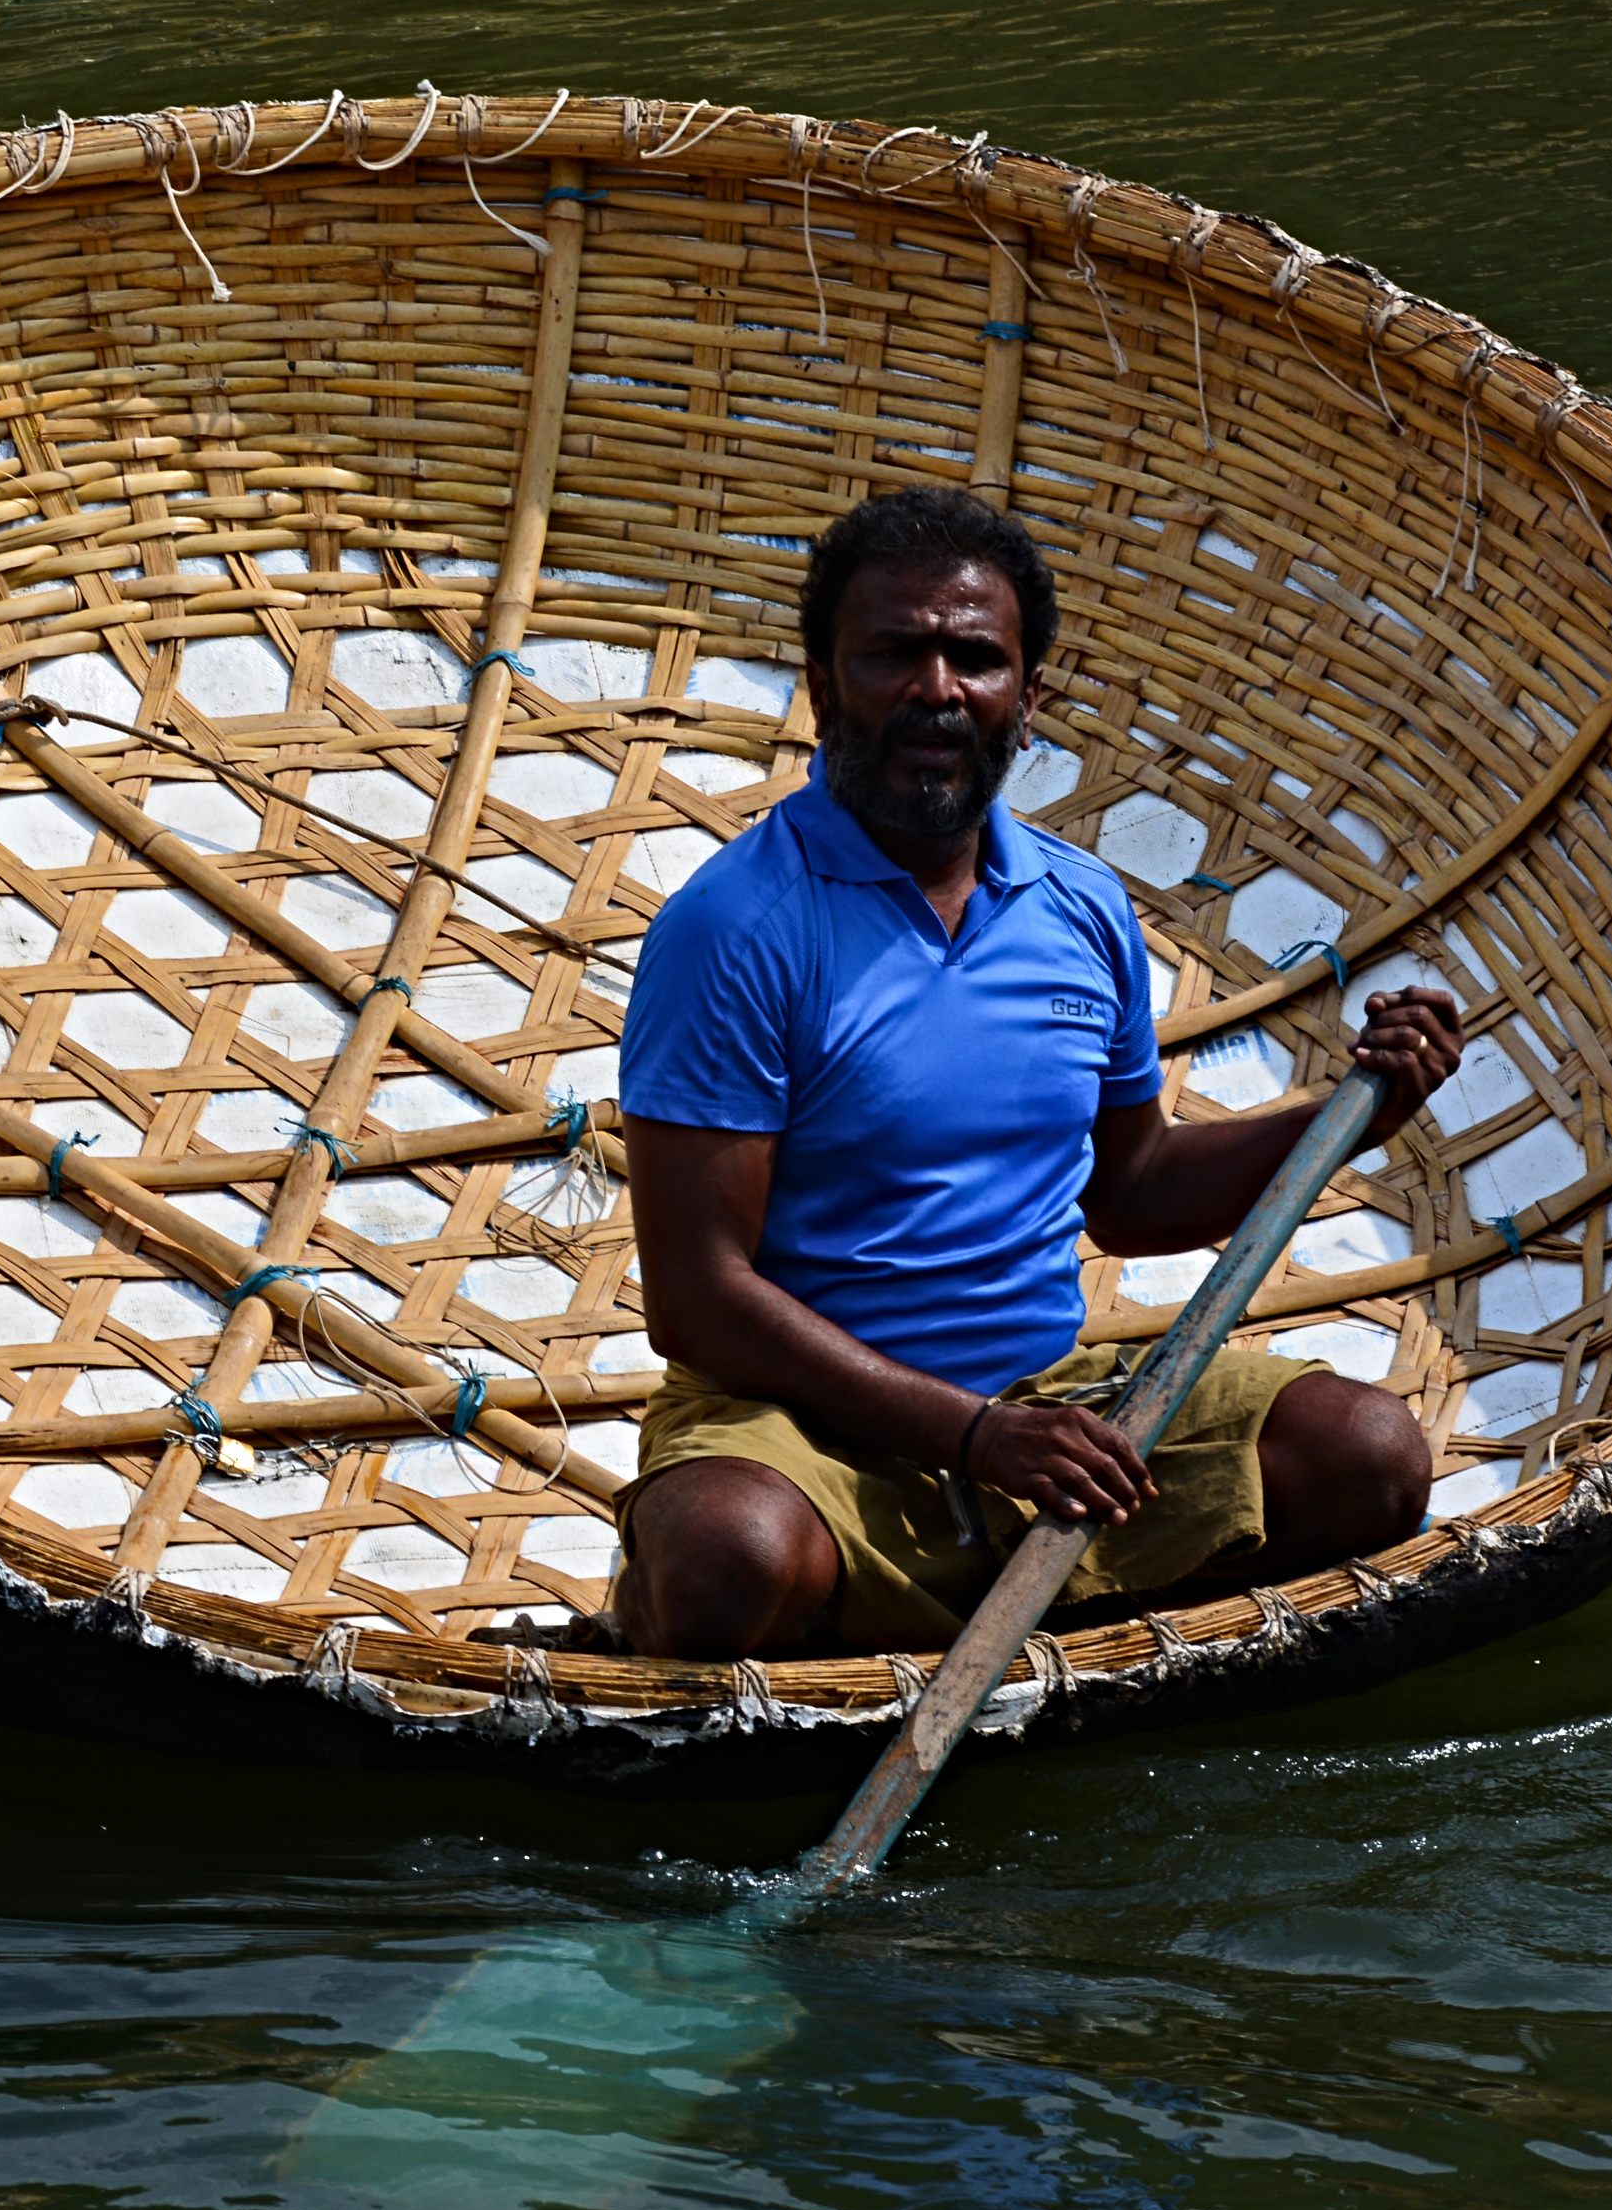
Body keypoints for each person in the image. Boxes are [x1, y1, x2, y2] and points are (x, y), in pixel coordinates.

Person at [610, 486, 1462, 1659]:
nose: (936, 690)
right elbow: (696, 1302)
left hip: (1046, 1398)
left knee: (1368, 1456)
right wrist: (969, 1438)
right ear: (820, 685)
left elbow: (1134, 1190)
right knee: (726, 1558)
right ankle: (692, 1614)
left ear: (1028, 699)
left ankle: (1032, 1616)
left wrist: (1358, 1115)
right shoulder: (736, 927)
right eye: (892, 654)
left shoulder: (1079, 906)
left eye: (975, 658)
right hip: (802, 1431)